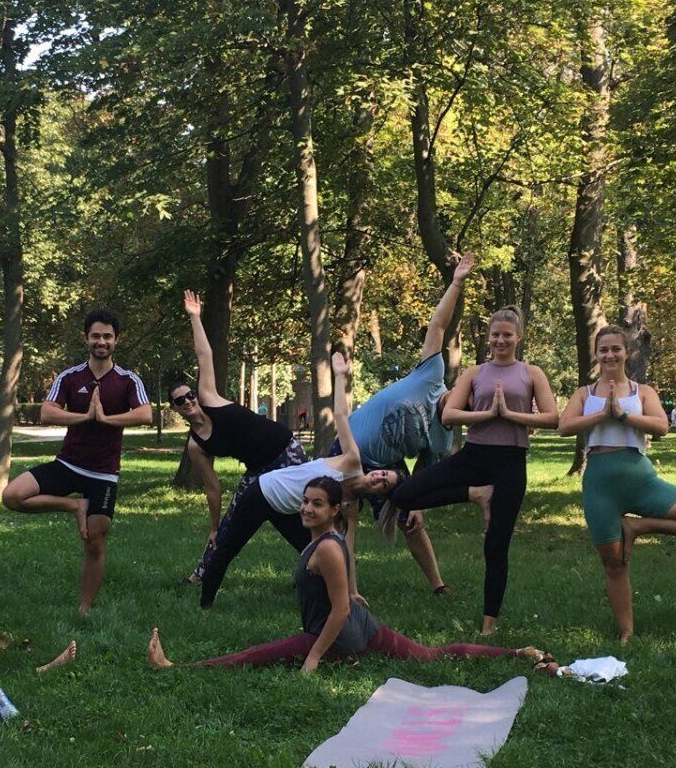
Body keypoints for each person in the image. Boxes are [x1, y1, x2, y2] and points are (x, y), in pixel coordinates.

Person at [149, 475, 558, 674]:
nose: (307, 508)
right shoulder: (333, 537)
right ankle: (517, 653)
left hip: (340, 635)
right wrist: (352, 594)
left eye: (317, 504)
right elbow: (345, 588)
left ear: (333, 511)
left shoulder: (326, 546)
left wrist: (313, 656)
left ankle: (175, 668)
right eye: (305, 502)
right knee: (432, 654)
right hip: (367, 627)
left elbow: (339, 609)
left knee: (255, 656)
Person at [389, 307, 558, 633]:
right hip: (474, 455)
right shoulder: (475, 373)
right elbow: (449, 415)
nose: (501, 340)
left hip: (511, 461)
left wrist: (510, 415)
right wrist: (487, 415)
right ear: (488, 337)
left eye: (507, 335)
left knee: (496, 544)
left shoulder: (531, 373)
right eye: (496, 334)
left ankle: (488, 623)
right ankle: (475, 494)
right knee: (403, 493)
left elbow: (553, 418)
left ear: (518, 337)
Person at [555, 326, 676, 642]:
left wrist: (623, 416)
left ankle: (637, 527)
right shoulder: (583, 394)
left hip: (640, 477)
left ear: (626, 352)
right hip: (600, 482)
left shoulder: (642, 392)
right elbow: (564, 426)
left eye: (616, 349)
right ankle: (626, 631)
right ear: (596, 354)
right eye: (603, 350)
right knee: (613, 563)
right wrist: (603, 414)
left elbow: (662, 426)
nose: (610, 355)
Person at [198, 351, 399, 607]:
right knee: (229, 546)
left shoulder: (349, 507)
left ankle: (318, 596)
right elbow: (340, 417)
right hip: (264, 491)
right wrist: (339, 376)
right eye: (382, 473)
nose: (379, 478)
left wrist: (351, 591)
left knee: (320, 550)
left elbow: (346, 550)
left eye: (384, 483)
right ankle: (206, 603)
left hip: (289, 509)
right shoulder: (352, 461)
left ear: (380, 493)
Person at [332, 253, 479, 595]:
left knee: (412, 520)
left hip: (388, 467)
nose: (458, 399)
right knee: (339, 517)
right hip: (349, 444)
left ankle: (438, 586)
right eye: (462, 393)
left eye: (467, 403)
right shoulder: (431, 375)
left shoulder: (442, 442)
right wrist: (456, 282)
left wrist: (413, 503)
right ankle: (333, 582)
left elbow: (426, 478)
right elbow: (438, 326)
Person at [2, 308, 152, 616]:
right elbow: (47, 412)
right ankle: (74, 506)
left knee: (95, 541)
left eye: (107, 336)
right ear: (86, 338)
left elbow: (145, 414)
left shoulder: (127, 380)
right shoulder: (70, 377)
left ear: (116, 340)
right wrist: (84, 416)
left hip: (104, 474)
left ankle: (84, 609)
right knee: (12, 496)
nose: (101, 341)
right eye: (96, 335)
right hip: (67, 464)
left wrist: (108, 419)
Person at [174, 289, 311, 584]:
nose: (187, 400)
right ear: (177, 410)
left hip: (286, 451)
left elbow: (204, 355)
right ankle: (202, 575)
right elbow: (212, 489)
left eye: (188, 394)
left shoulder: (209, 396)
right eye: (179, 401)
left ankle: (325, 561)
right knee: (235, 520)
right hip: (258, 470)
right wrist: (212, 526)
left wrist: (195, 317)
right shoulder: (197, 446)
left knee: (308, 508)